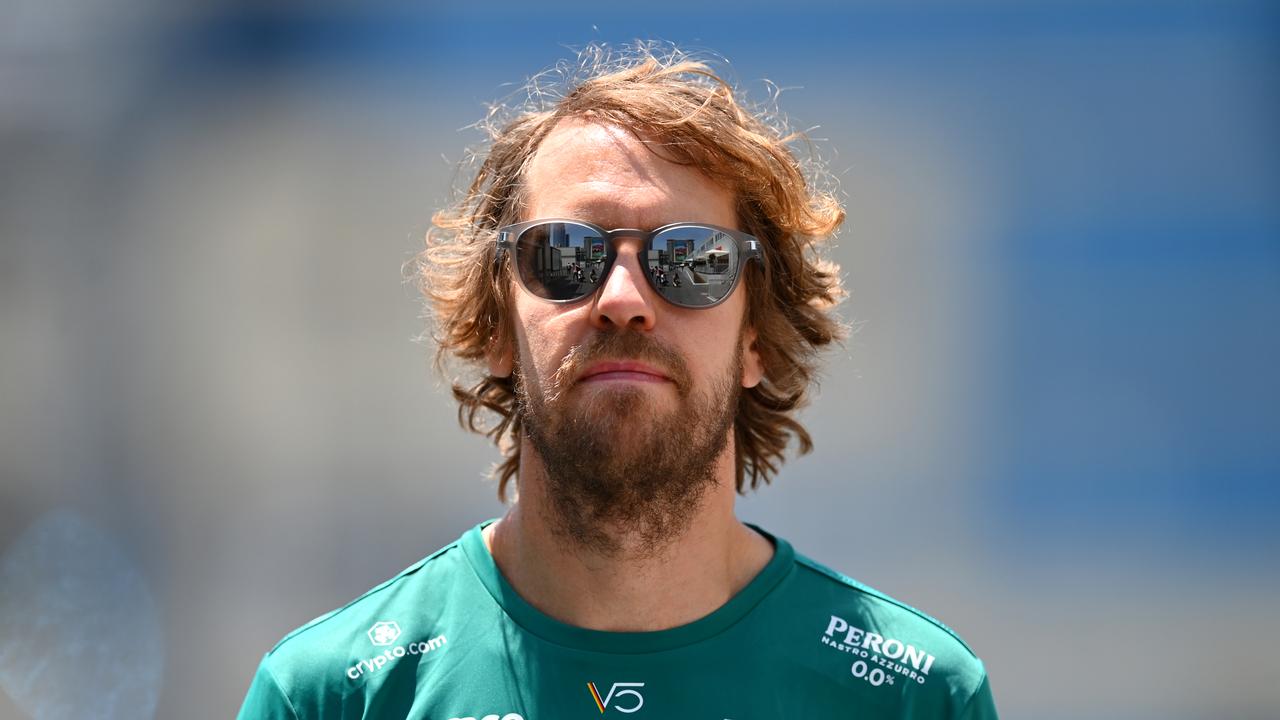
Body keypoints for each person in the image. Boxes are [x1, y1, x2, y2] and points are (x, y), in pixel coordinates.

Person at [238, 44, 998, 720]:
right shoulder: (331, 695)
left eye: (694, 259)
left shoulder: (912, 695)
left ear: (756, 340)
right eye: (565, 254)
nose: (625, 301)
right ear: (497, 324)